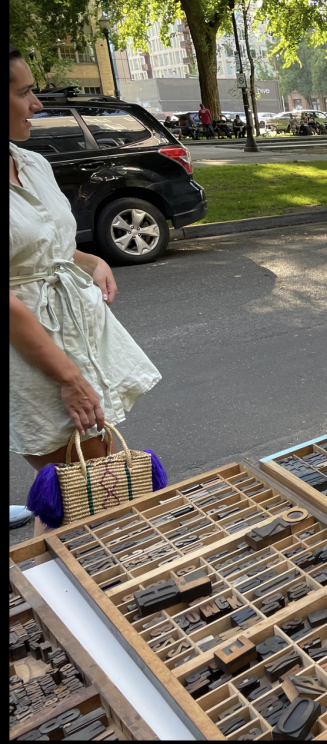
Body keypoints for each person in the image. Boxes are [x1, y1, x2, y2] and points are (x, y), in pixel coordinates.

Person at [9, 44, 161, 535]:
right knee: (91, 484)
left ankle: (80, 582)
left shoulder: (30, 163)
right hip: (33, 354)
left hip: (74, 339)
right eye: (25, 92)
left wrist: (92, 259)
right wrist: (68, 377)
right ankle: (92, 589)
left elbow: (46, 246)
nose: (37, 105)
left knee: (86, 484)